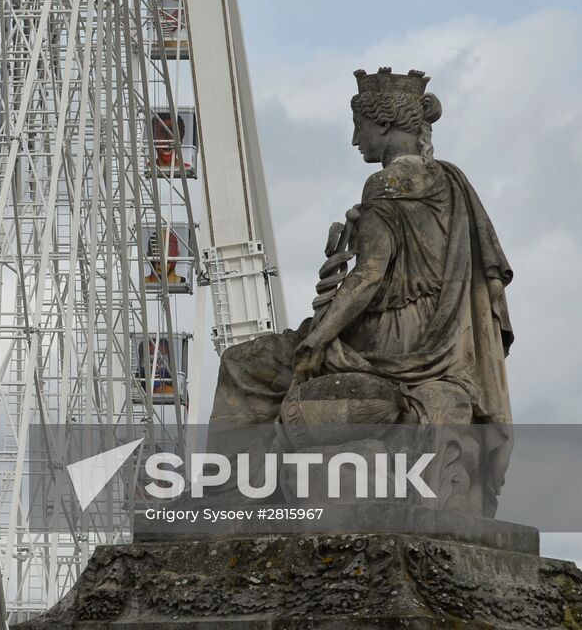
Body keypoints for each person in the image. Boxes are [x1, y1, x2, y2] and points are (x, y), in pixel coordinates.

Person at [209, 68, 514, 501]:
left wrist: (317, 340)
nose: (356, 141)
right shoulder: (450, 182)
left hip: (386, 342)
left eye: (360, 127)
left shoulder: (386, 184)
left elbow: (370, 276)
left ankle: (224, 491)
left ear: (384, 123)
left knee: (242, 362)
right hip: (438, 340)